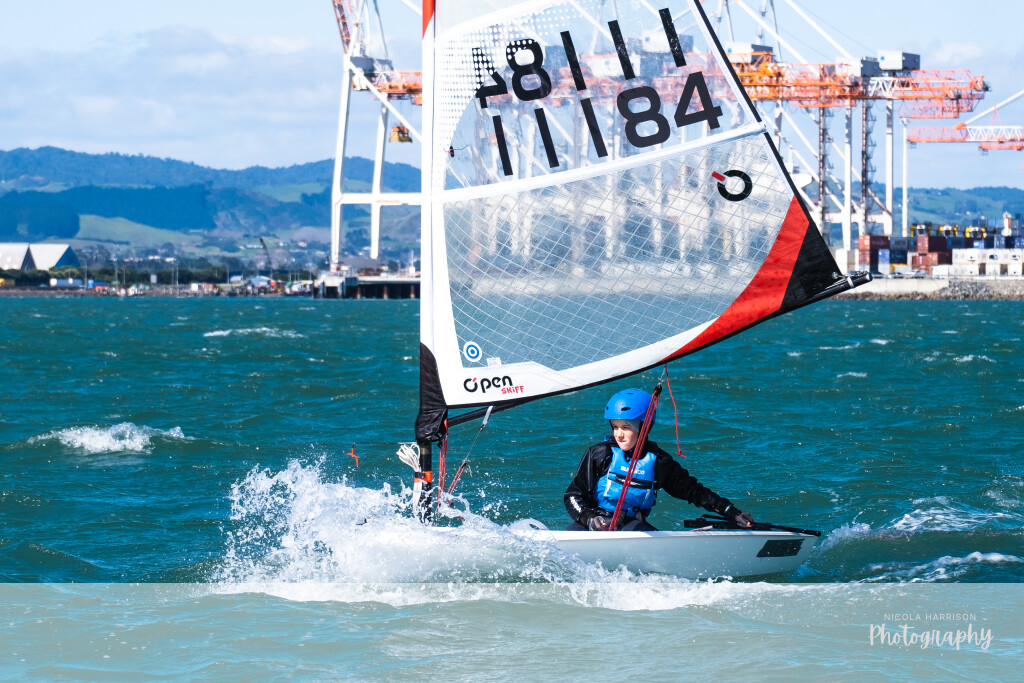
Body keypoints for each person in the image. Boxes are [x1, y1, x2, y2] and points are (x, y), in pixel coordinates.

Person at [564, 388, 756, 531]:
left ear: (643, 427)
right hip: (593, 524)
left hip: (631, 526)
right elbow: (573, 495)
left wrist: (732, 512)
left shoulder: (658, 461)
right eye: (615, 427)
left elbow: (694, 491)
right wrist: (588, 518)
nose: (619, 434)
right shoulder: (599, 454)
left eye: (626, 427)